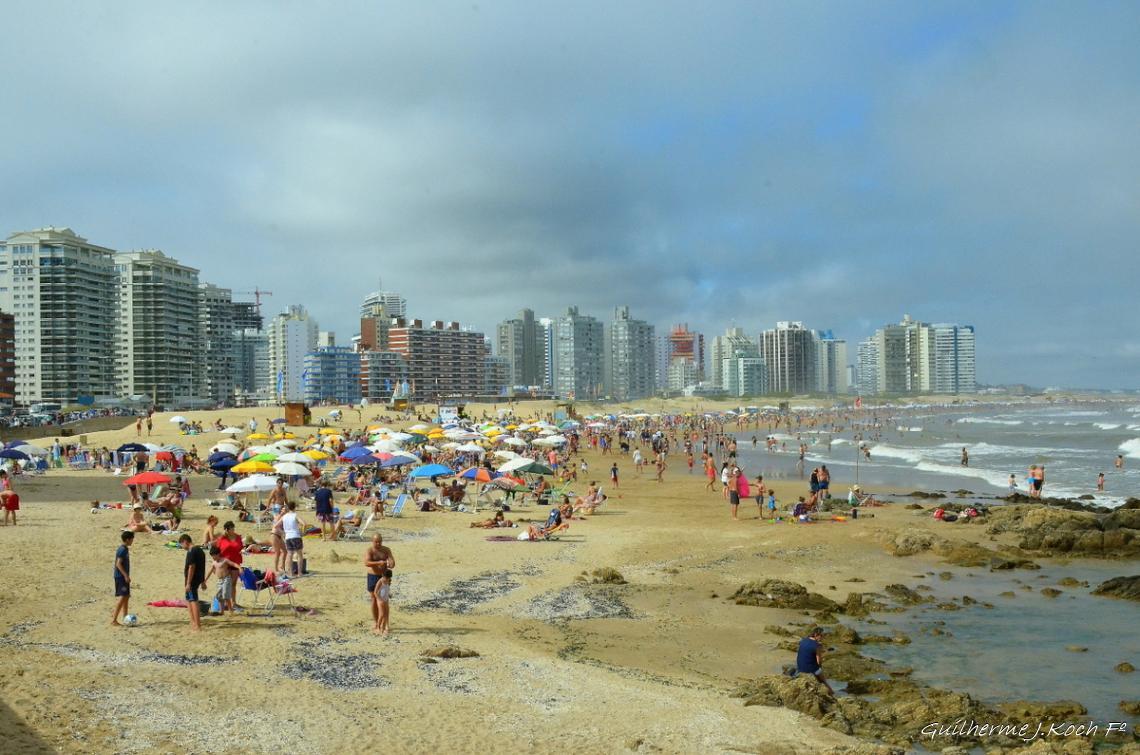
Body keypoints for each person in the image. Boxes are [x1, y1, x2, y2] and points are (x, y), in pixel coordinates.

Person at [364, 534, 396, 635]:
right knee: (374, 599)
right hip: (373, 576)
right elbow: (366, 562)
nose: (378, 544)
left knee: (384, 600)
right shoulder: (370, 550)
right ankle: (376, 622)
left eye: (380, 542)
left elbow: (392, 562)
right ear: (372, 541)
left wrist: (391, 563)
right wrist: (378, 563)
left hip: (384, 578)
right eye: (376, 542)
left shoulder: (386, 550)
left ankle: (385, 624)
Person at [795, 627, 834, 694]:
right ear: (816, 635)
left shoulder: (804, 640)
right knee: (823, 679)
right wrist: (820, 667)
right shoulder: (817, 646)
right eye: (821, 635)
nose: (822, 637)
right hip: (809, 669)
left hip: (800, 667)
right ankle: (831, 692)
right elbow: (819, 661)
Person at [179, 533, 206, 631]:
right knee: (189, 599)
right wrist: (202, 581)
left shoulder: (191, 551)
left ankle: (197, 625)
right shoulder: (200, 550)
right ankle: (193, 622)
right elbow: (202, 567)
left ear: (185, 542)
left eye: (182, 545)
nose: (182, 547)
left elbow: (192, 567)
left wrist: (188, 583)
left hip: (192, 579)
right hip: (198, 578)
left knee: (193, 600)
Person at [206, 544, 240, 616]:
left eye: (214, 555)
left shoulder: (224, 560)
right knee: (219, 596)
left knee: (225, 595)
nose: (213, 557)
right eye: (212, 556)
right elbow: (210, 571)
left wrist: (240, 568)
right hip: (219, 581)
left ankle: (231, 611)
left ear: (218, 554)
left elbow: (233, 564)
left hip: (226, 579)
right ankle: (222, 611)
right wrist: (205, 580)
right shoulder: (214, 563)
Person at [112, 531, 134, 626]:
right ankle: (114, 620)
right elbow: (118, 564)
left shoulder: (125, 549)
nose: (132, 541)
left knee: (126, 596)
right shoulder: (122, 550)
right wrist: (125, 575)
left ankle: (125, 617)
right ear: (128, 539)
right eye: (132, 539)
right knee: (123, 597)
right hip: (120, 577)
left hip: (123, 576)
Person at [278, 501, 306, 577]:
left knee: (290, 555)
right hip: (296, 536)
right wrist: (303, 532)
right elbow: (304, 524)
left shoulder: (284, 517)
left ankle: (290, 573)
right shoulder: (295, 515)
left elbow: (276, 526)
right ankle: (299, 573)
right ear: (294, 507)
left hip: (288, 537)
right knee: (299, 554)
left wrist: (283, 533)